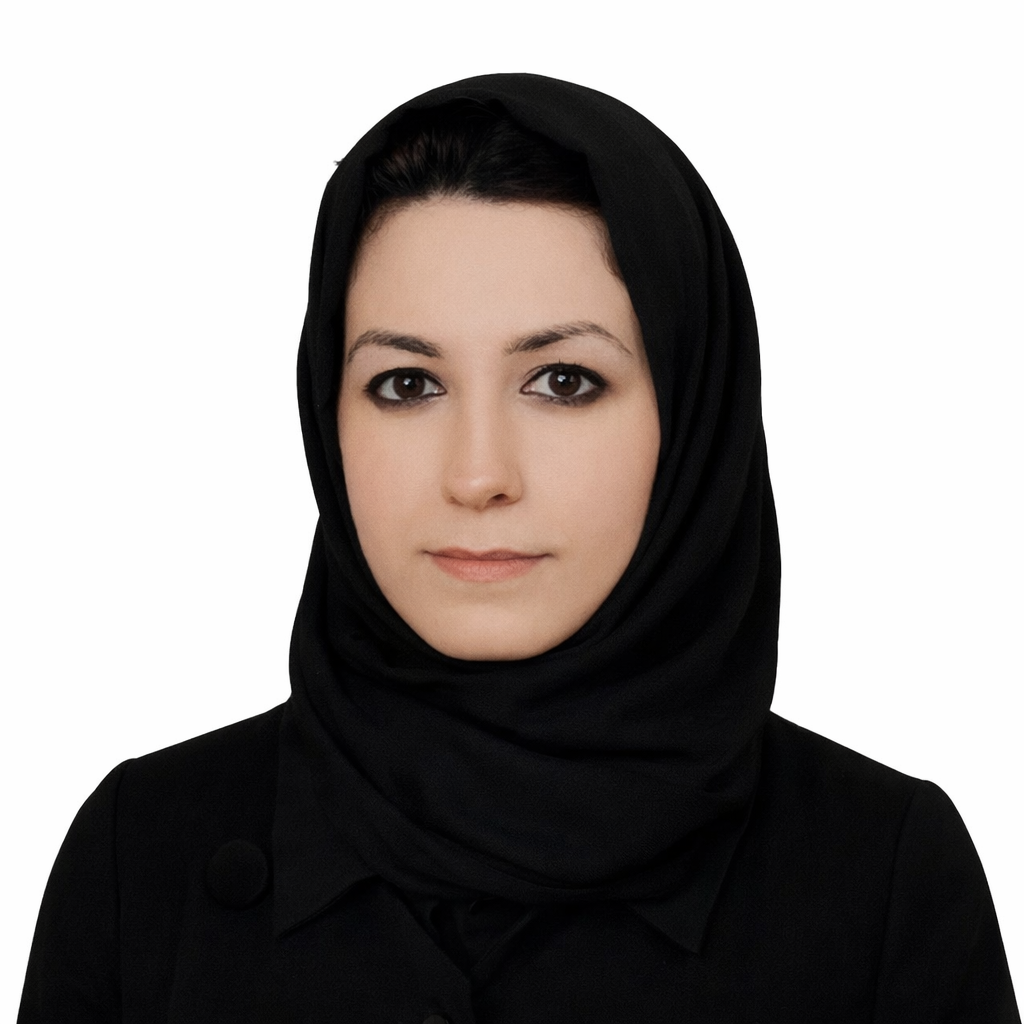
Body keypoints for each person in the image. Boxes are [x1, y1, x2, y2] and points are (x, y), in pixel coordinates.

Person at [18, 73, 1020, 1022]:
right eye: (407, 385)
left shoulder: (879, 875)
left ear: (690, 417)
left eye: (564, 382)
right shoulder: (142, 853)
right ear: (329, 417)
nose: (477, 475)